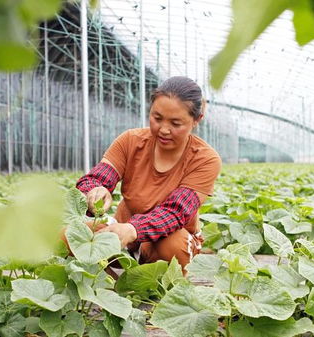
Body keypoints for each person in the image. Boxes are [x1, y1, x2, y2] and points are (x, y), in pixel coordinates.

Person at [75, 76, 221, 274]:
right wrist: (94, 191)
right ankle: (117, 272)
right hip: (123, 230)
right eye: (157, 118)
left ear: (196, 120)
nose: (163, 130)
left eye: (176, 123)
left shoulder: (205, 159)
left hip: (166, 236)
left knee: (173, 247)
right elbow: (98, 177)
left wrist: (134, 230)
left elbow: (175, 212)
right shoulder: (131, 141)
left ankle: (146, 267)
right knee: (72, 233)